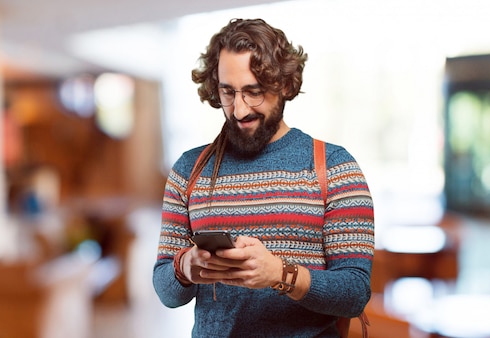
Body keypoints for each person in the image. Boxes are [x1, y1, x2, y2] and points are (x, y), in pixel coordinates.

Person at [152, 18, 374, 337]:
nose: (239, 110)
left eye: (253, 93)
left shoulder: (336, 167)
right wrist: (185, 268)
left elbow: (354, 293)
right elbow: (166, 291)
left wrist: (278, 273)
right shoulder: (189, 170)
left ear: (284, 84)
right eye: (228, 93)